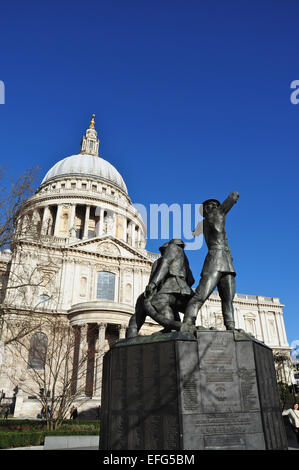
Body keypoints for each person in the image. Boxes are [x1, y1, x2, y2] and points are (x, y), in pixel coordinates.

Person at [181, 191, 239, 332]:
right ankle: (188, 322)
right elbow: (232, 197)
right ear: (209, 208)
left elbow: (195, 232)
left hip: (224, 261)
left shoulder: (203, 223)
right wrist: (234, 194)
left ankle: (230, 326)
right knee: (207, 295)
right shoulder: (217, 214)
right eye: (212, 205)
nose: (213, 207)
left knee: (225, 298)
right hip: (217, 258)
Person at [126, 239, 195, 337]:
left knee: (151, 304)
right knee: (170, 307)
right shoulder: (185, 260)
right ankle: (173, 328)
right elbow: (191, 280)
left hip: (168, 291)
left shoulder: (161, 259)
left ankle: (132, 335)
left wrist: (153, 284)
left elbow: (162, 269)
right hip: (186, 293)